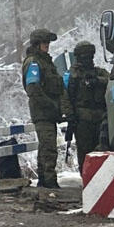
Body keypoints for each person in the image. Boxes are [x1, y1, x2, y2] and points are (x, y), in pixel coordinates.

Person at [21, 28, 64, 189]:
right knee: (49, 148)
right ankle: (49, 181)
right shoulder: (33, 62)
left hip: (49, 113)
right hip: (43, 112)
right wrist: (50, 105)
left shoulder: (45, 61)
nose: (47, 46)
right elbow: (33, 88)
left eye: (48, 43)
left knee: (46, 146)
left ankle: (44, 181)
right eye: (45, 43)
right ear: (37, 44)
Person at [63, 41, 109, 172]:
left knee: (102, 151)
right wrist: (70, 115)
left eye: (89, 56)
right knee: (85, 152)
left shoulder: (100, 73)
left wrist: (97, 81)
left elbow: (113, 83)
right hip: (82, 120)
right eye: (84, 56)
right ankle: (87, 178)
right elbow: (64, 96)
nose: (87, 59)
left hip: (101, 119)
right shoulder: (72, 76)